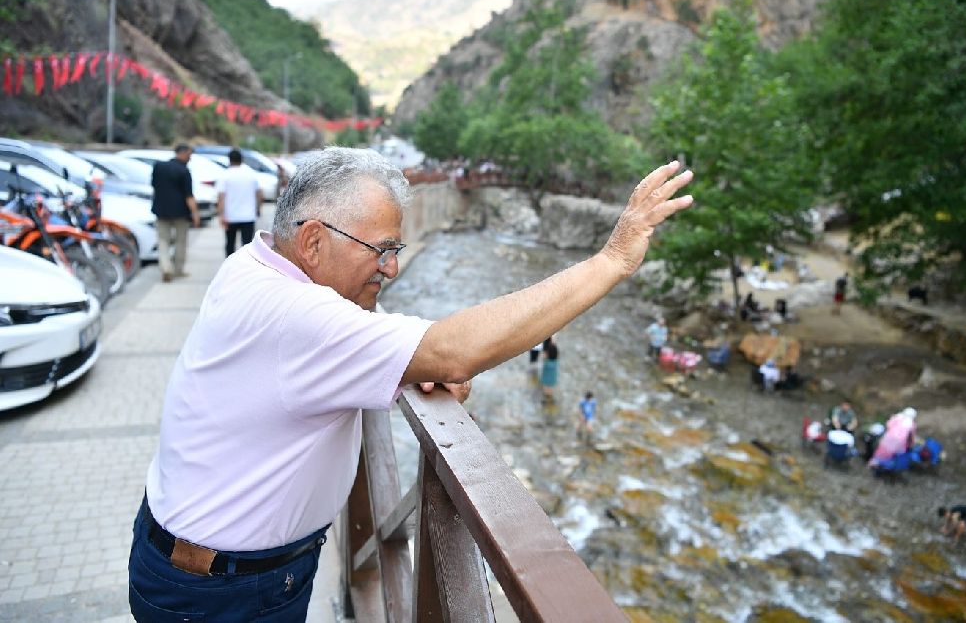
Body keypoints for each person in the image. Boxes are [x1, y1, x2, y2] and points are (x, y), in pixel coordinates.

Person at [127, 149, 694, 620]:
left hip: (222, 569)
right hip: (220, 593)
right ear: (315, 242)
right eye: (383, 249)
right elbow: (455, 350)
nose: (392, 268)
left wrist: (405, 367)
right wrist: (614, 258)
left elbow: (400, 350)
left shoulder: (253, 266)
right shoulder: (297, 317)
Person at [151, 143, 201, 282]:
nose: (190, 158)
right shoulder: (184, 171)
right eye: (189, 155)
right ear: (183, 153)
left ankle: (166, 267)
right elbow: (189, 196)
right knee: (181, 241)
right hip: (180, 212)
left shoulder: (159, 167)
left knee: (163, 241)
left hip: (161, 210)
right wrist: (195, 214)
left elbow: (154, 186)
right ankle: (178, 269)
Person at [217, 148, 263, 257]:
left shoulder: (225, 175)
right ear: (242, 160)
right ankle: (246, 268)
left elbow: (221, 197)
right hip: (248, 216)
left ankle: (230, 267)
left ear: (229, 160)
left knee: (230, 244)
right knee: (247, 245)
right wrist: (258, 208)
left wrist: (221, 215)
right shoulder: (251, 174)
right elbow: (260, 194)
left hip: (230, 216)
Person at [540, 337, 559, 402]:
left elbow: (543, 358)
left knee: (545, 387)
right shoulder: (556, 362)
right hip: (552, 377)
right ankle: (550, 396)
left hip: (546, 377)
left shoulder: (546, 362)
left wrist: (544, 356)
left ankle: (546, 396)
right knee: (550, 387)